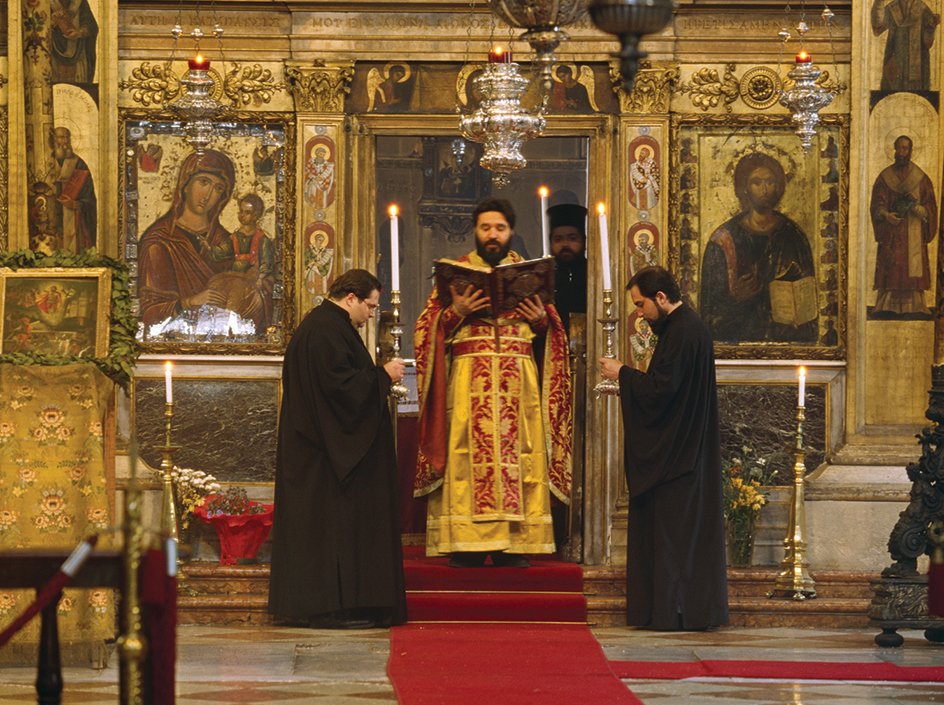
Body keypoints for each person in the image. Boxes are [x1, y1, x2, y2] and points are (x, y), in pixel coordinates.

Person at [414, 197, 573, 568]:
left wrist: (540, 322)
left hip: (519, 385)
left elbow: (554, 334)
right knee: (466, 458)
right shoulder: (456, 273)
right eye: (485, 227)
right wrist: (456, 313)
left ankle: (518, 544)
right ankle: (466, 543)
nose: (492, 234)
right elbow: (425, 330)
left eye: (499, 228)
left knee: (522, 457)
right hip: (469, 382)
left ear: (511, 232)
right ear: (475, 231)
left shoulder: (528, 272)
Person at [268, 269, 407, 629]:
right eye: (371, 307)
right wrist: (383, 376)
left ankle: (341, 605)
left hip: (317, 453)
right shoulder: (328, 330)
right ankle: (332, 607)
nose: (373, 314)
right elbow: (341, 391)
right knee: (329, 531)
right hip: (323, 458)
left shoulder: (326, 326)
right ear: (351, 299)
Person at [599, 266, 728, 631]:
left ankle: (674, 613)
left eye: (640, 305)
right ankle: (673, 612)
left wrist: (621, 373)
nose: (639, 313)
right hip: (686, 453)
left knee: (673, 540)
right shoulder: (684, 327)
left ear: (660, 297)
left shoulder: (683, 331)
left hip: (678, 461)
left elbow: (662, 392)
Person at [700, 152, 817, 343]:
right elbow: (709, 312)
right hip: (737, 340)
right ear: (744, 187)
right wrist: (736, 299)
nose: (764, 189)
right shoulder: (723, 240)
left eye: (770, 182)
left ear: (778, 186)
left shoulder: (793, 235)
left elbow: (807, 297)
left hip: (786, 339)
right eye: (756, 182)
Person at [136, 149, 235, 329]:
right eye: (203, 182)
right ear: (185, 184)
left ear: (223, 197)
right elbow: (149, 313)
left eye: (218, 188)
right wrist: (190, 302)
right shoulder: (159, 241)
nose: (207, 195)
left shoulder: (227, 242)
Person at [870, 134, 938, 317]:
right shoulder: (885, 177)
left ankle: (915, 306)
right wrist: (886, 216)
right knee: (891, 267)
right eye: (898, 148)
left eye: (904, 148)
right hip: (891, 232)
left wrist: (916, 206)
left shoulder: (921, 178)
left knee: (912, 271)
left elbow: (930, 209)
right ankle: (885, 305)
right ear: (893, 149)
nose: (900, 152)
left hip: (913, 234)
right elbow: (877, 204)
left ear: (911, 151)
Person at [200, 193, 276, 333]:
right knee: (215, 288)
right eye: (241, 211)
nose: (242, 215)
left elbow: (267, 261)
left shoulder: (262, 239)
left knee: (236, 297)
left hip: (253, 277)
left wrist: (260, 278)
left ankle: (230, 327)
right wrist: (209, 248)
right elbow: (222, 252)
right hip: (235, 276)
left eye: (247, 213)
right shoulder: (235, 237)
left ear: (256, 215)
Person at [871, 0, 940, 91]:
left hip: (917, 73)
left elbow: (927, 42)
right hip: (894, 67)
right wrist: (879, 2)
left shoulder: (923, 9)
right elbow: (877, 24)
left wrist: (932, 25)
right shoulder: (892, 8)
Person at [52, 126, 97, 253]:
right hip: (51, 220)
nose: (65, 141)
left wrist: (76, 204)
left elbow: (90, 198)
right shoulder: (44, 163)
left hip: (73, 220)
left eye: (67, 137)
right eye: (61, 137)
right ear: (53, 140)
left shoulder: (78, 163)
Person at [547, 202, 588, 332]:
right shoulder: (545, 278)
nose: (565, 244)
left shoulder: (595, 275)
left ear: (584, 241)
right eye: (558, 239)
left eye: (572, 238)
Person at [50, 0, 98, 83]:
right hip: (53, 53)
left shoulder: (80, 2)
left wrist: (80, 33)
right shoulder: (46, 3)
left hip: (78, 52)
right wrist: (52, 23)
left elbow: (91, 25)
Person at [629, 146, 660, 210]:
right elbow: (633, 175)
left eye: (643, 153)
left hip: (649, 188)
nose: (640, 155)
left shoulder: (652, 163)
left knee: (649, 204)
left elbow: (656, 175)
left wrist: (648, 180)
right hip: (639, 188)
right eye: (640, 153)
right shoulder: (635, 165)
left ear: (646, 154)